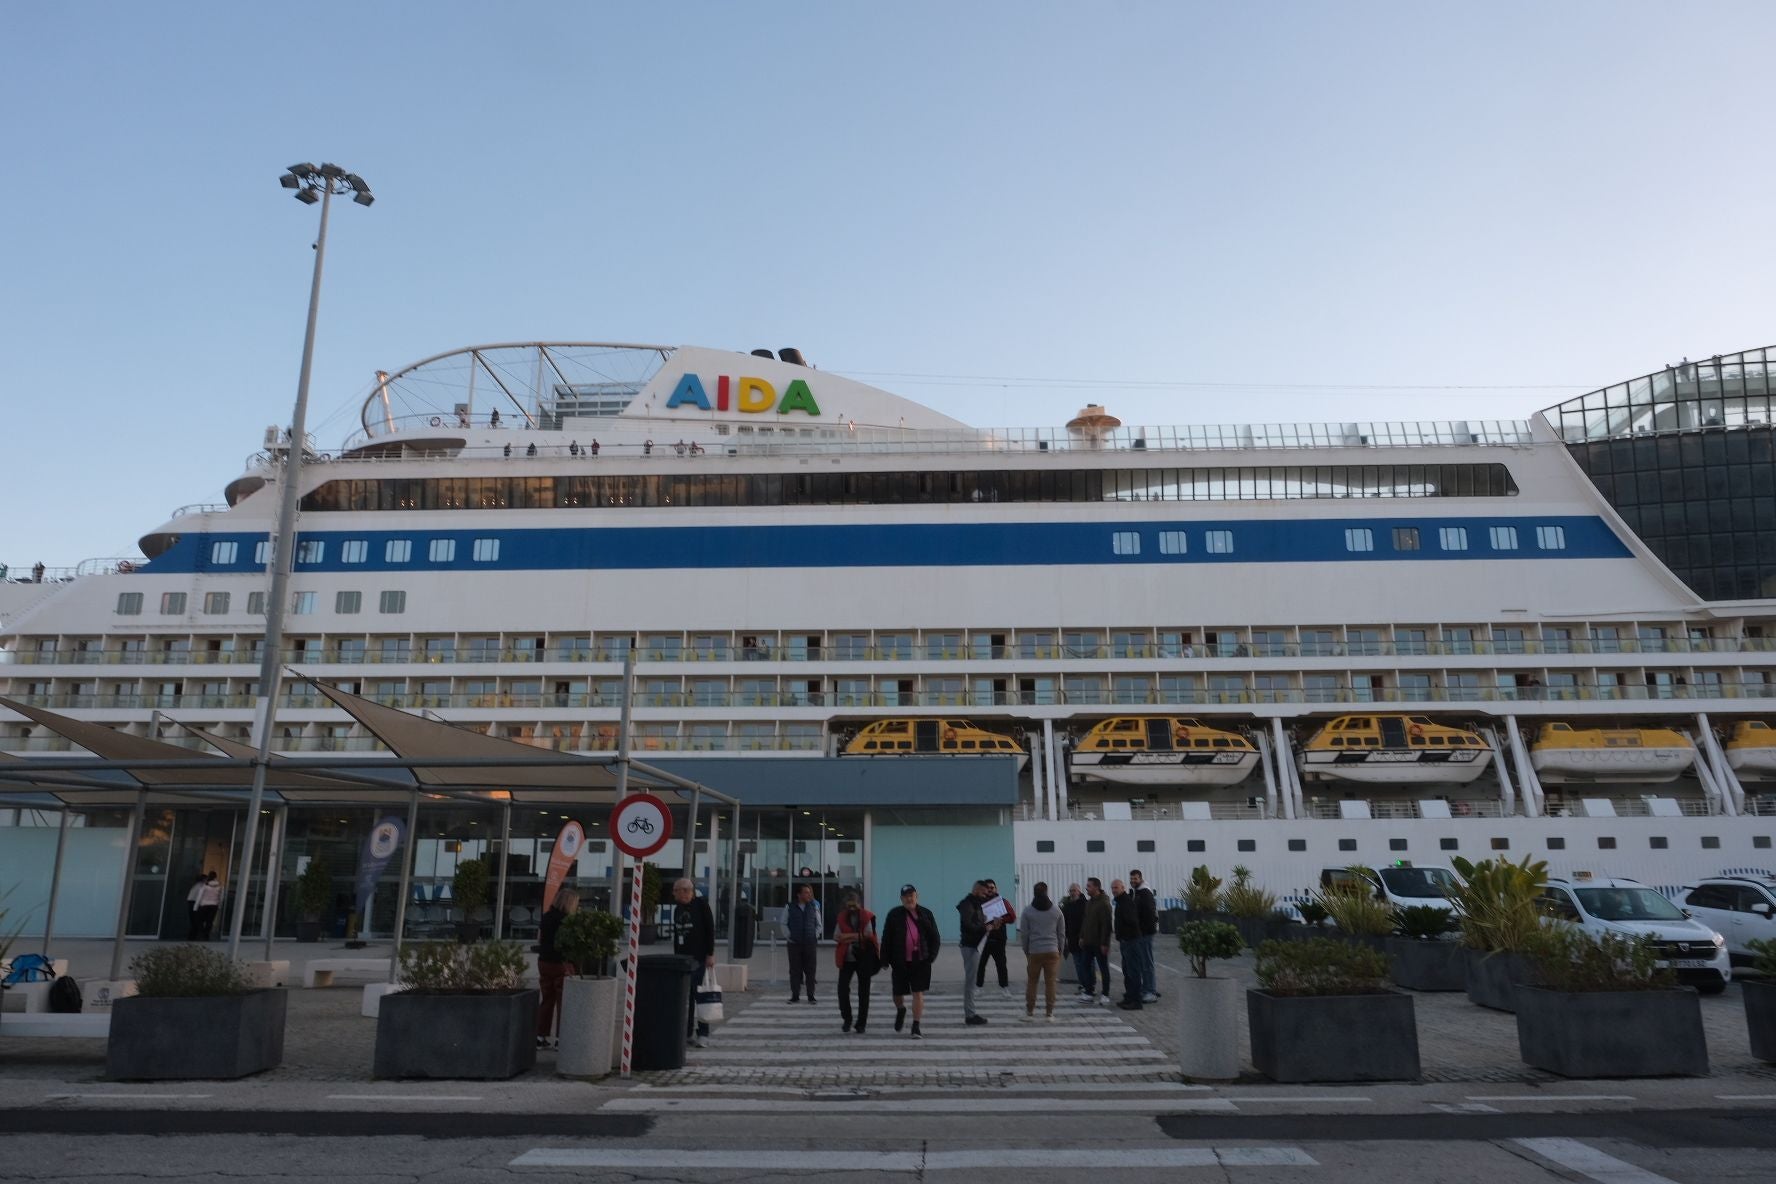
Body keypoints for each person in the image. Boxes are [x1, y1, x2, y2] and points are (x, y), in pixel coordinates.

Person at [880, 883, 940, 1039]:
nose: (909, 899)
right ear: (901, 898)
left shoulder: (926, 914)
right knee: (897, 993)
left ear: (916, 896)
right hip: (900, 960)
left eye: (911, 895)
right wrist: (884, 959)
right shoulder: (894, 914)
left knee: (918, 992)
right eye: (906, 896)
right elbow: (886, 938)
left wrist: (931, 956)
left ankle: (916, 1026)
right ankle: (901, 1009)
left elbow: (935, 937)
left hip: (921, 960)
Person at [672, 878, 717, 1047]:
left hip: (699, 958)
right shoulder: (678, 909)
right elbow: (677, 934)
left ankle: (703, 1033)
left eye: (677, 890)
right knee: (686, 998)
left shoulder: (701, 905)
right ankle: (687, 1032)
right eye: (675, 891)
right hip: (683, 960)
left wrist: (710, 954)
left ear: (687, 891)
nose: (675, 894)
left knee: (701, 996)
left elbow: (710, 929)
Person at [536, 888, 579, 1047]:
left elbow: (540, 939)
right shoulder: (567, 920)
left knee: (547, 1000)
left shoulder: (546, 916)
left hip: (544, 962)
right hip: (561, 963)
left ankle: (540, 1036)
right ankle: (561, 1039)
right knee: (564, 1002)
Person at [1019, 881, 1066, 1022]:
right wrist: (1060, 950)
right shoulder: (1056, 911)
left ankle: (1029, 1012)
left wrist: (1026, 950)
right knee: (1050, 983)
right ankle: (1049, 1013)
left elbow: (1024, 934)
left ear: (1034, 893)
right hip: (1052, 951)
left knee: (1032, 982)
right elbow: (1061, 933)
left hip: (1035, 951)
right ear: (1047, 892)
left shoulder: (1027, 911)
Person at [833, 892, 877, 1034]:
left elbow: (869, 934)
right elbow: (836, 936)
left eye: (854, 904)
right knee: (842, 990)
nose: (852, 908)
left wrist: (847, 936)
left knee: (864, 992)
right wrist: (857, 936)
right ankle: (847, 1019)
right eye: (849, 905)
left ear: (859, 904)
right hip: (847, 959)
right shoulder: (841, 917)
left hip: (864, 958)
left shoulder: (867, 916)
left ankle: (861, 1023)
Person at [955, 880, 990, 1026]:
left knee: (971, 980)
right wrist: (985, 927)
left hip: (975, 945)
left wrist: (989, 924)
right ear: (976, 890)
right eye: (983, 893)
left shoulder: (976, 904)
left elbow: (977, 923)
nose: (985, 896)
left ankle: (970, 1013)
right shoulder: (967, 904)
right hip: (970, 946)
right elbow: (969, 925)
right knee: (970, 981)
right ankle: (970, 1014)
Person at [975, 878, 1015, 995]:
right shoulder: (979, 902)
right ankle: (978, 987)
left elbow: (1012, 917)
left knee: (1001, 964)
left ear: (996, 889)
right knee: (981, 964)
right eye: (987, 888)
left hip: (999, 938)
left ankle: (1004, 988)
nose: (990, 890)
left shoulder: (1003, 902)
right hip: (983, 938)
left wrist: (1001, 919)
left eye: (992, 887)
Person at [783, 883, 822, 1004]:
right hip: (794, 944)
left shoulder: (814, 907)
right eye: (806, 892)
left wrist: (815, 935)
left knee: (810, 970)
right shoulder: (790, 907)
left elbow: (819, 924)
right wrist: (789, 936)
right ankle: (795, 995)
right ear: (799, 895)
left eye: (809, 892)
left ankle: (811, 996)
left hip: (810, 944)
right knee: (795, 970)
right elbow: (783, 923)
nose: (809, 895)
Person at [1077, 877, 1112, 1005]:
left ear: (1096, 887)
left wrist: (1104, 943)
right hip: (1088, 942)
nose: (1086, 888)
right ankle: (1089, 992)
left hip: (1099, 943)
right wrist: (1082, 936)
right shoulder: (1089, 903)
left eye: (1089, 886)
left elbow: (1106, 925)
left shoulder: (1104, 903)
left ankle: (1105, 994)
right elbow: (1085, 921)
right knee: (1085, 966)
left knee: (1103, 968)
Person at [1110, 879, 1143, 1009]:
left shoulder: (1126, 902)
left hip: (1131, 940)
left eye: (1116, 888)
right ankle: (1129, 997)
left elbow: (1132, 921)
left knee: (1133, 971)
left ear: (1122, 888)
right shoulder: (1120, 901)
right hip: (1125, 941)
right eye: (1112, 888)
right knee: (1127, 971)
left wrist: (1125, 934)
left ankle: (1136, 1001)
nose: (1114, 890)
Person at [1129, 868, 1160, 1003]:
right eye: (1131, 879)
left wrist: (1142, 931)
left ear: (1141, 879)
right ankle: (1146, 988)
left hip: (1145, 934)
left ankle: (1150, 991)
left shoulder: (1145, 893)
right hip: (1141, 933)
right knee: (1143, 963)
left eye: (1135, 878)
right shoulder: (1138, 892)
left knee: (1147, 963)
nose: (1133, 881)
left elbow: (1150, 914)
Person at [1060, 883, 1089, 996]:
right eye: (1071, 891)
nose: (1072, 893)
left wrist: (1084, 936)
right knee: (1078, 964)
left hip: (1083, 939)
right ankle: (1082, 985)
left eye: (1074, 890)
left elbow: (1087, 922)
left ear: (1079, 891)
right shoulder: (1067, 906)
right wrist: (1066, 937)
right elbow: (1065, 922)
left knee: (1086, 964)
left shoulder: (1085, 904)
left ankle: (1089, 986)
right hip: (1072, 939)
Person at [186, 871, 222, 940]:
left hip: (196, 903)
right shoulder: (202, 885)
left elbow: (199, 896)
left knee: (196, 921)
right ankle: (200, 935)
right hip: (202, 903)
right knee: (202, 921)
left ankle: (195, 936)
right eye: (206, 879)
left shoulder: (198, 885)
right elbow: (219, 896)